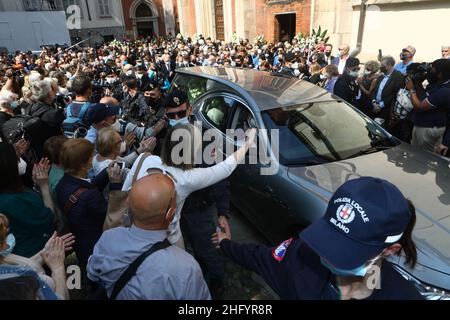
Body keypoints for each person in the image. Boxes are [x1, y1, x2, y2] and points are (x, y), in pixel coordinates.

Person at [213, 177, 423, 300]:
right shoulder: (302, 255)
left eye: (346, 250)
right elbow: (259, 257)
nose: (326, 254)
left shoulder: (402, 295)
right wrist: (225, 243)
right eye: (329, 238)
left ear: (389, 250)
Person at [87, 174, 211, 300]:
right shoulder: (186, 267)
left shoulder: (108, 238)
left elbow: (92, 273)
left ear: (128, 204)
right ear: (170, 214)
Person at [55, 139, 123, 270]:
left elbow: (86, 186)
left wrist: (106, 173)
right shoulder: (90, 196)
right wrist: (115, 184)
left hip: (80, 239)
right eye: (90, 156)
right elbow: (110, 215)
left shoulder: (62, 183)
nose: (93, 158)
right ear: (83, 165)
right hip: (95, 243)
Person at [0, 143, 56, 258]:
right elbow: (50, 218)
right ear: (8, 166)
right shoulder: (12, 201)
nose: (19, 161)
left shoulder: (8, 192)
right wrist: (44, 185)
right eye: (16, 159)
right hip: (37, 255)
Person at [0, 214, 74, 300]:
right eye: (5, 236)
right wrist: (57, 268)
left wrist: (43, 254)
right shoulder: (26, 279)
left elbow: (16, 268)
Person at [406, 59, 450, 156]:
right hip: (421, 127)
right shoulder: (436, 84)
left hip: (428, 131)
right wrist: (417, 82)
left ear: (440, 74)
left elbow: (420, 106)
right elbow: (423, 96)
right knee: (415, 156)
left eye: (432, 69)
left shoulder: (445, 91)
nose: (429, 72)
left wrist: (411, 89)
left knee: (424, 159)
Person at [28, 78, 65, 158]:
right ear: (49, 93)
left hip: (38, 151)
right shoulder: (55, 114)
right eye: (51, 89)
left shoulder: (30, 108)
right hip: (54, 152)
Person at [371, 56, 405, 124]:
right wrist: (374, 102)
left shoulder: (398, 76)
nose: (381, 67)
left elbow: (395, 94)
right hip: (374, 107)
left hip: (386, 110)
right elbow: (374, 91)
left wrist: (380, 105)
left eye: (382, 65)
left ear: (389, 65)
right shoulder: (380, 76)